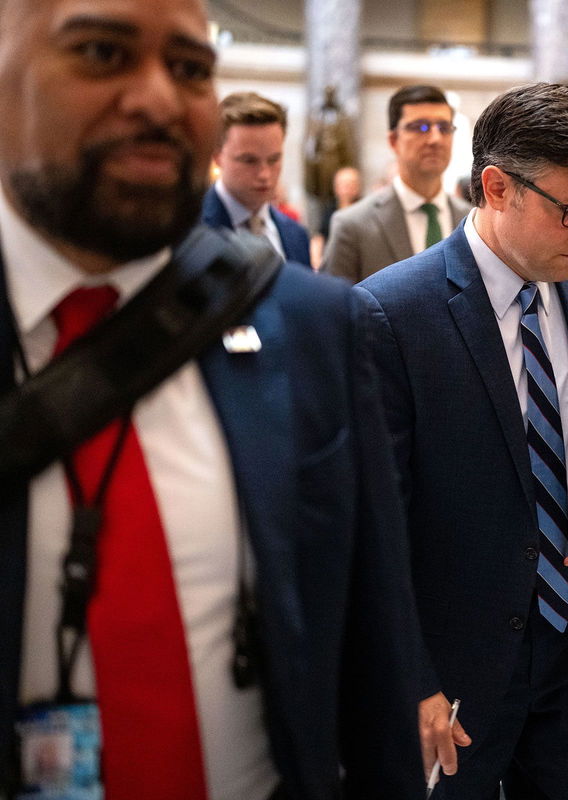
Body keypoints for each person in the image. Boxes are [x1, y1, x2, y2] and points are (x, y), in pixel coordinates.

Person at [0, 0, 441, 798]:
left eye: (191, 68)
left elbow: (374, 658)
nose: (161, 99)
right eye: (101, 51)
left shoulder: (311, 329)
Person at [355, 82, 568, 799]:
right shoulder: (393, 313)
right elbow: (372, 523)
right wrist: (411, 679)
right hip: (457, 665)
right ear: (496, 187)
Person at [323, 85, 470, 281]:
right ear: (393, 140)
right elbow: (334, 308)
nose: (435, 139)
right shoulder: (353, 226)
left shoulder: (470, 221)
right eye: (421, 127)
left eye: (444, 128)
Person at [202, 92, 311, 268]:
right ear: (217, 156)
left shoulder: (296, 235)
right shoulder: (188, 230)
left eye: (274, 159)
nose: (264, 175)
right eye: (249, 161)